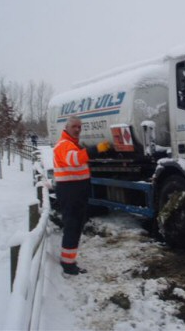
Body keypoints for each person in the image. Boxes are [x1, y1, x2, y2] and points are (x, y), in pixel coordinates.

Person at [53, 116, 110, 275]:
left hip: (75, 192)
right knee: (72, 226)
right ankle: (68, 265)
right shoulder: (65, 145)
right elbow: (75, 159)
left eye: (80, 127)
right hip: (70, 192)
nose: (78, 129)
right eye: (74, 127)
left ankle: (69, 261)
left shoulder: (72, 144)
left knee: (75, 226)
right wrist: (96, 149)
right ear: (67, 128)